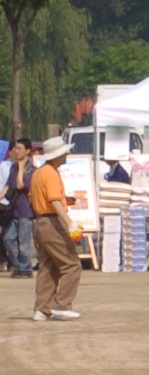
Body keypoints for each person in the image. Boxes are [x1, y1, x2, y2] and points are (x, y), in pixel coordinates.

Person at [26, 137, 80, 320]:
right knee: (71, 264)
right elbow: (54, 200)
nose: (66, 154)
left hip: (40, 222)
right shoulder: (51, 173)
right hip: (52, 222)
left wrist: (64, 201)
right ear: (58, 155)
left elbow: (32, 197)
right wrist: (68, 221)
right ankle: (62, 304)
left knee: (48, 266)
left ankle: (42, 308)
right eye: (64, 152)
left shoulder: (38, 173)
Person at [1, 140, 35, 278]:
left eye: (20, 148)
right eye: (15, 148)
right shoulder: (12, 168)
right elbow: (7, 186)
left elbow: (21, 185)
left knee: (24, 242)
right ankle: (20, 265)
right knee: (8, 239)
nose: (16, 151)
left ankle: (26, 269)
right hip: (13, 210)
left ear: (28, 151)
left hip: (26, 211)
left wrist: (21, 168)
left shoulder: (31, 170)